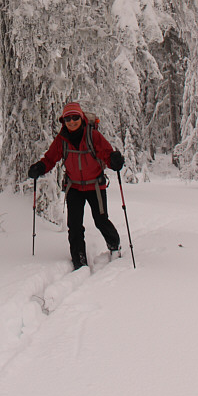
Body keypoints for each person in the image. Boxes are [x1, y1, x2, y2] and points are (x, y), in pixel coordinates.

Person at [28, 101, 125, 270]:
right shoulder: (62, 140)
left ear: (81, 118)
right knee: (74, 226)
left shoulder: (93, 136)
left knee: (101, 221)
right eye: (68, 119)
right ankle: (79, 260)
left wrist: (115, 161)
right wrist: (40, 167)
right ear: (63, 121)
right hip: (74, 188)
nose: (72, 122)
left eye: (75, 118)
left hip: (95, 186)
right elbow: (51, 158)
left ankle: (114, 246)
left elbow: (107, 154)